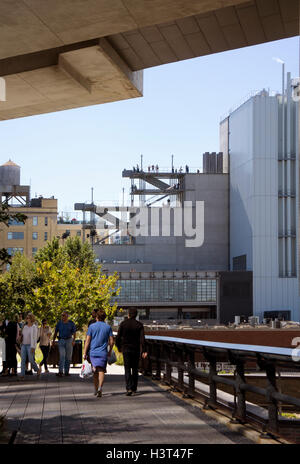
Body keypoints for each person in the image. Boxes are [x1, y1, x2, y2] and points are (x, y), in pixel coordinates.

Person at [115, 308, 147, 396]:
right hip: (136, 349)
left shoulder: (123, 324)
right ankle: (134, 388)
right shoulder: (139, 325)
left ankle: (128, 388)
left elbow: (118, 337)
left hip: (126, 349)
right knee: (135, 368)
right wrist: (144, 350)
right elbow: (142, 339)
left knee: (127, 368)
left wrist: (119, 347)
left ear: (128, 314)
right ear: (136, 315)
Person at [83, 309, 114, 398]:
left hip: (93, 352)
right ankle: (100, 388)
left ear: (97, 317)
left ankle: (96, 389)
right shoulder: (108, 327)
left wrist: (85, 352)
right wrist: (110, 351)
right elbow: (112, 341)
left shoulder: (92, 327)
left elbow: (88, 341)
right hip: (103, 352)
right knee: (101, 370)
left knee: (95, 371)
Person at [52, 311, 76, 377]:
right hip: (61, 340)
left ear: (67, 316)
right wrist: (53, 341)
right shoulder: (59, 323)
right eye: (62, 315)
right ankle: (60, 371)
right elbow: (56, 332)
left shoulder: (71, 323)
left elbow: (74, 333)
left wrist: (74, 340)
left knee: (68, 357)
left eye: (64, 315)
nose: (62, 317)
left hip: (69, 340)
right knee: (62, 356)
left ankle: (66, 371)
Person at [19, 313, 41, 380]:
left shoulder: (34, 327)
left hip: (30, 346)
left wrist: (33, 347)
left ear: (31, 319)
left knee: (31, 360)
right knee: (23, 360)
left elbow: (35, 338)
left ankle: (37, 370)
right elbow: (22, 335)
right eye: (26, 318)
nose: (27, 319)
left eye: (28, 318)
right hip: (23, 345)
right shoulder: (24, 327)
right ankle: (22, 375)